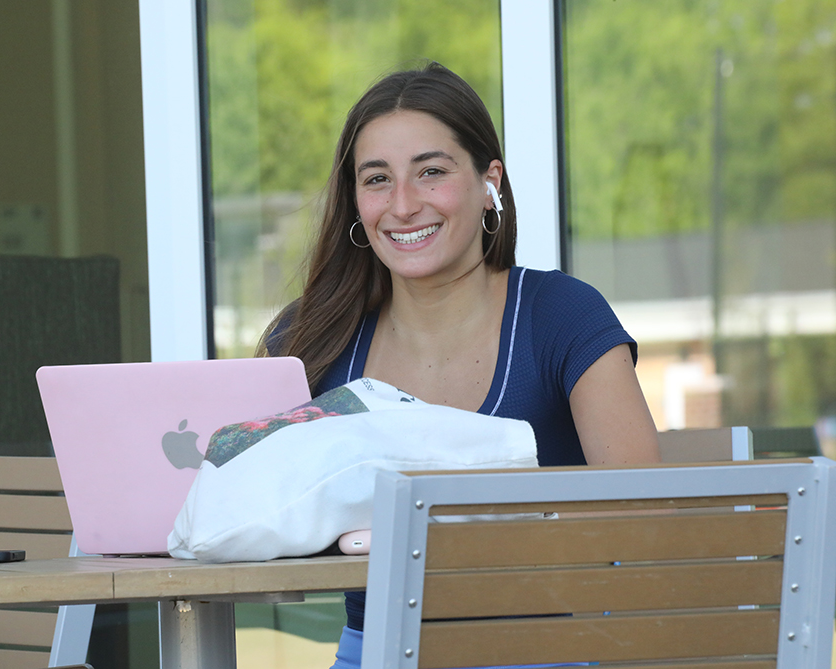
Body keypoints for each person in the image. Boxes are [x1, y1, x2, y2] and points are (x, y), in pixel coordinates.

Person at [257, 61, 661, 669]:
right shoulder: (311, 336)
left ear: (488, 181)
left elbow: (646, 524)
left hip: (544, 652)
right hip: (374, 653)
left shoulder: (561, 315)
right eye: (377, 179)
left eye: (431, 173)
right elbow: (251, 512)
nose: (402, 205)